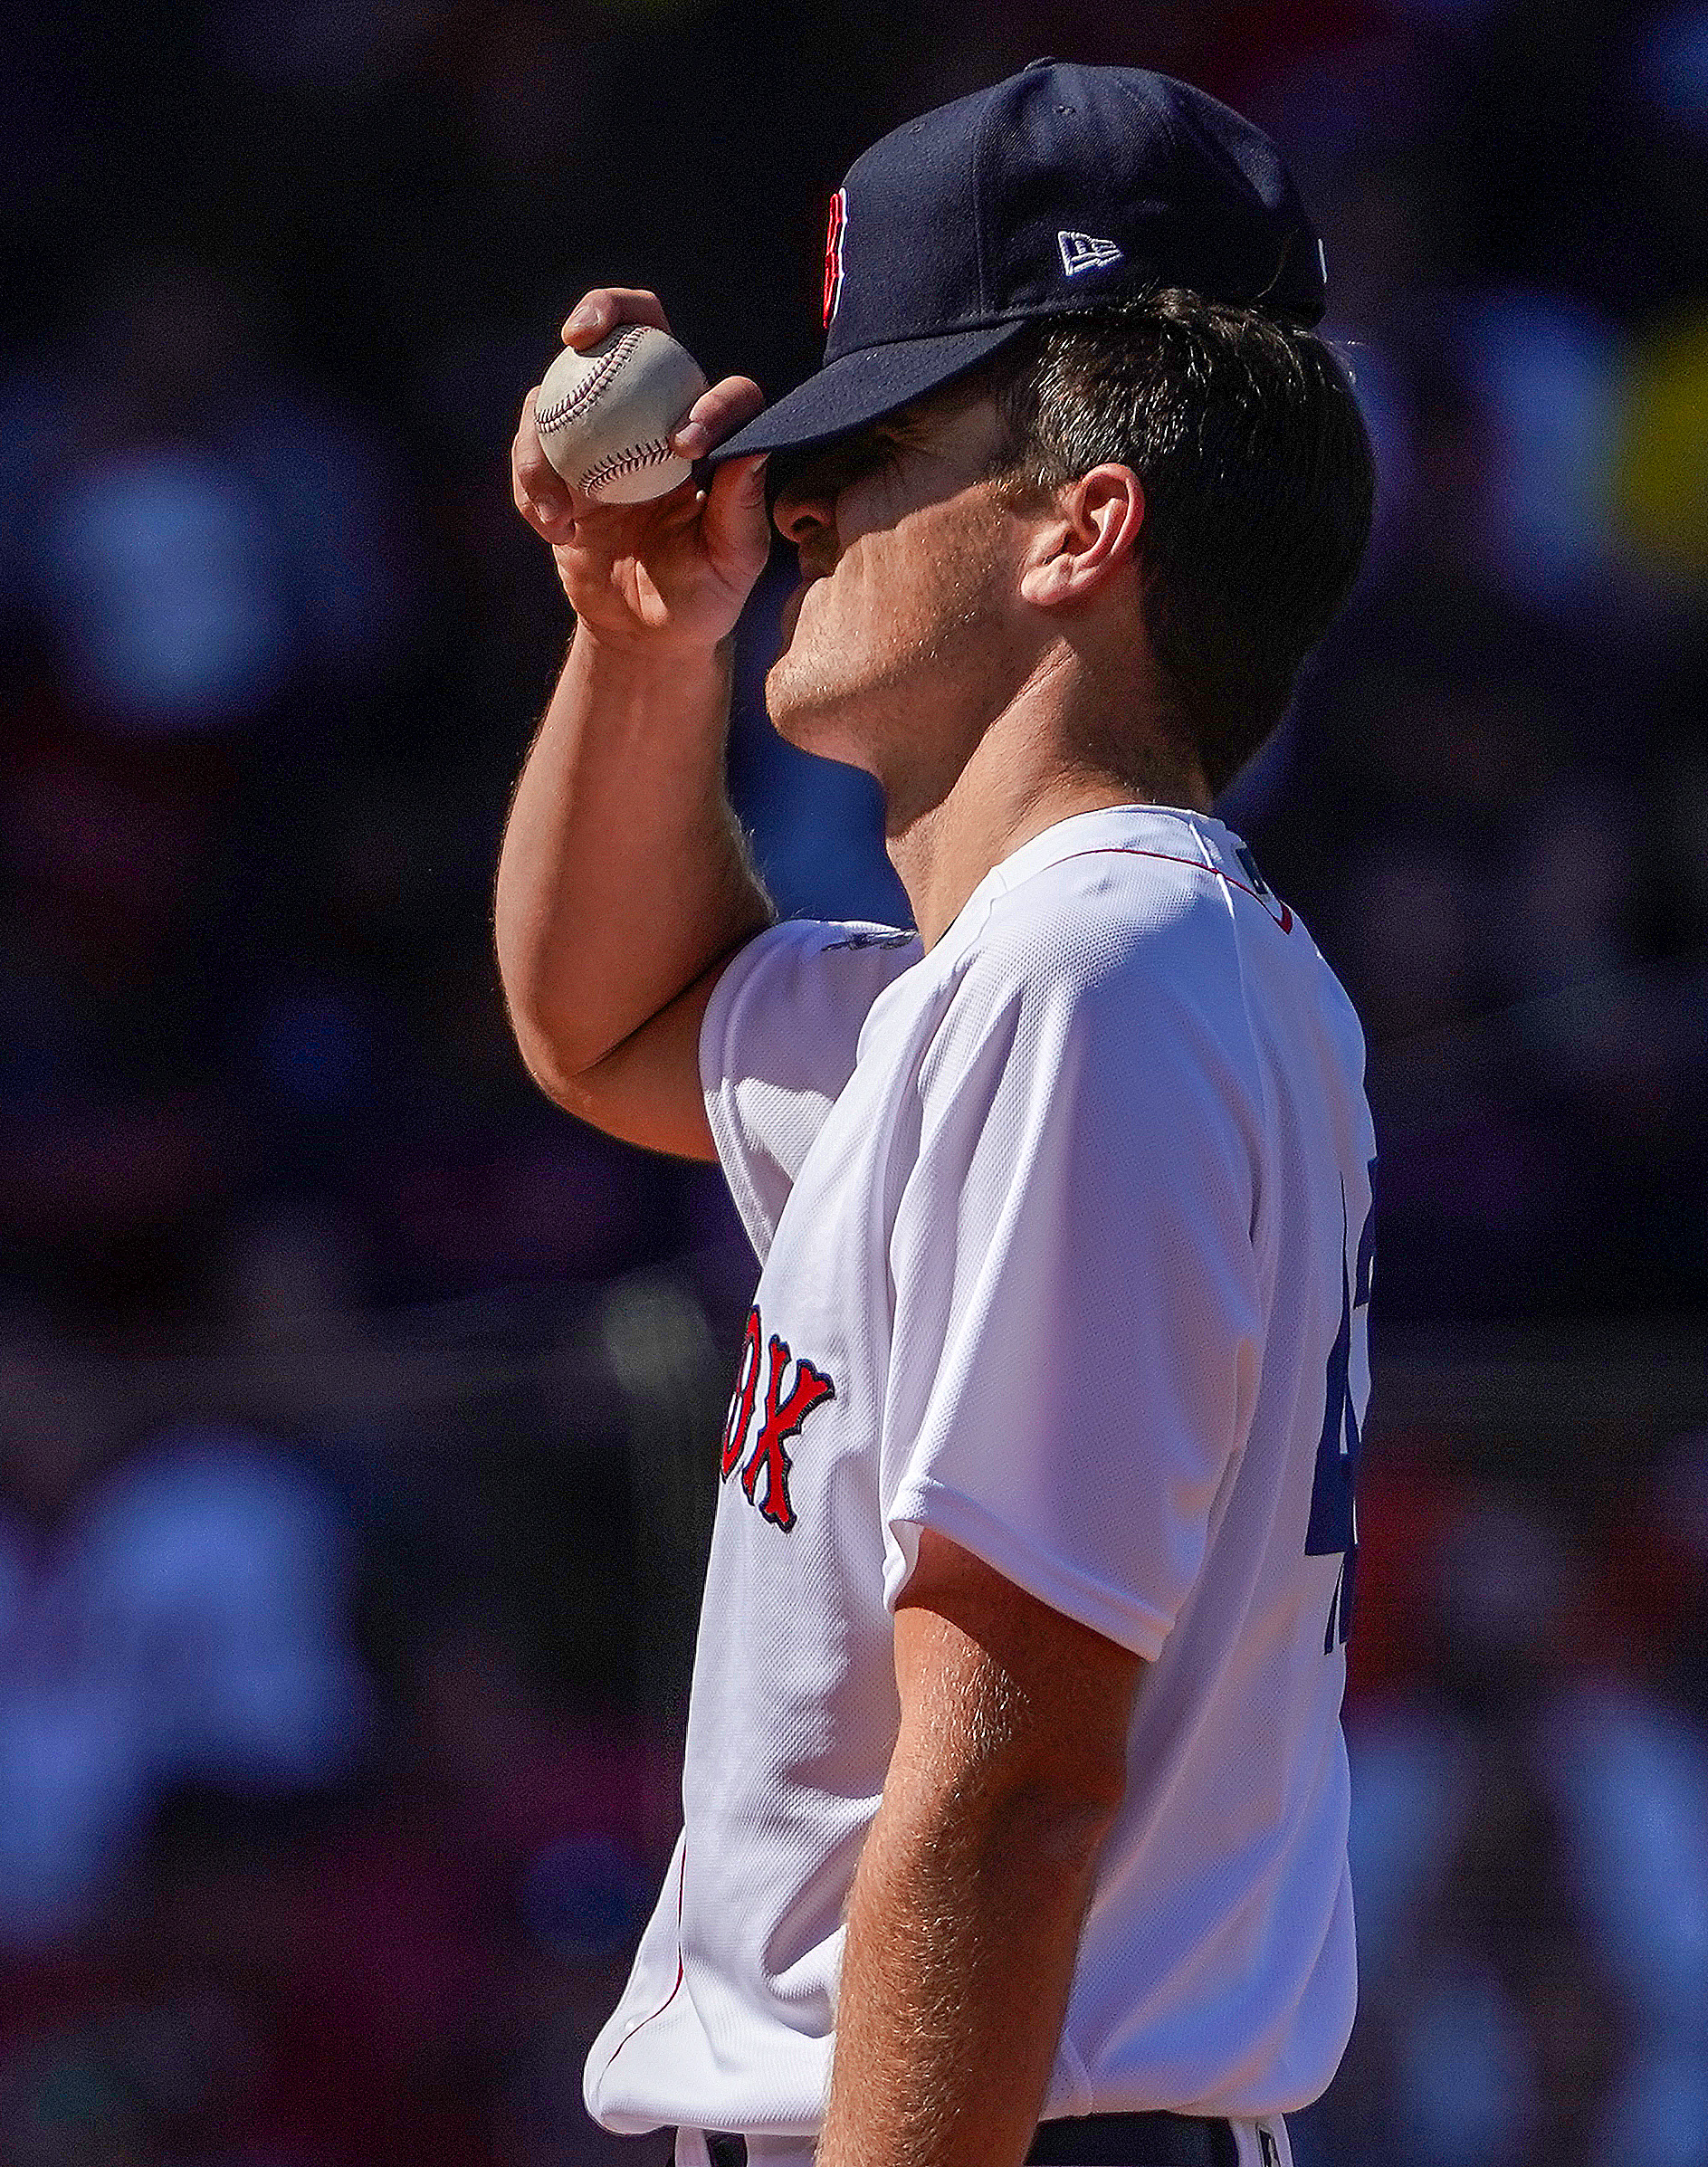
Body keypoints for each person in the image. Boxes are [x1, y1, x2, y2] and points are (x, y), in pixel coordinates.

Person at [495, 61, 1379, 2167]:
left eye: (876, 449)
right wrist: (640, 649)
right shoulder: (1052, 983)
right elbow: (609, 1022)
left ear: (1085, 524)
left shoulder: (1093, 975)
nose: (790, 508)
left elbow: (1011, 1783)